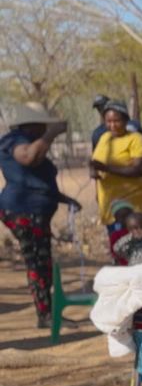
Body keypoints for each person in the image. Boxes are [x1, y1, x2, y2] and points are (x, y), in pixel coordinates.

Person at [0, 102, 81, 328]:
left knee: (42, 263)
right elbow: (27, 158)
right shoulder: (15, 141)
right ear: (32, 125)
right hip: (23, 211)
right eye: (42, 126)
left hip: (34, 211)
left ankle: (47, 313)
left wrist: (64, 199)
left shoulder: (27, 141)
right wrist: (52, 133)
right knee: (37, 263)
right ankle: (45, 315)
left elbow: (37, 183)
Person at [92, 101, 142, 233]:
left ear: (126, 120)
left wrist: (106, 168)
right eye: (108, 121)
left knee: (134, 249)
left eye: (116, 121)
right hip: (110, 205)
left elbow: (140, 169)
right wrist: (94, 171)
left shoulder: (136, 139)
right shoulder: (104, 138)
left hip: (132, 208)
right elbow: (97, 163)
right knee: (117, 247)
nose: (112, 125)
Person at [90, 95, 142, 196]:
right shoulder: (99, 134)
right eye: (99, 108)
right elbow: (96, 162)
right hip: (108, 197)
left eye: (103, 106)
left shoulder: (133, 129)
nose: (101, 110)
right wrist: (97, 189)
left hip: (132, 195)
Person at [104, 199, 135, 265]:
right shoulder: (116, 235)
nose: (125, 219)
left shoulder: (137, 230)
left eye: (127, 215)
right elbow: (114, 251)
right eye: (122, 217)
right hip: (123, 265)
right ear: (117, 219)